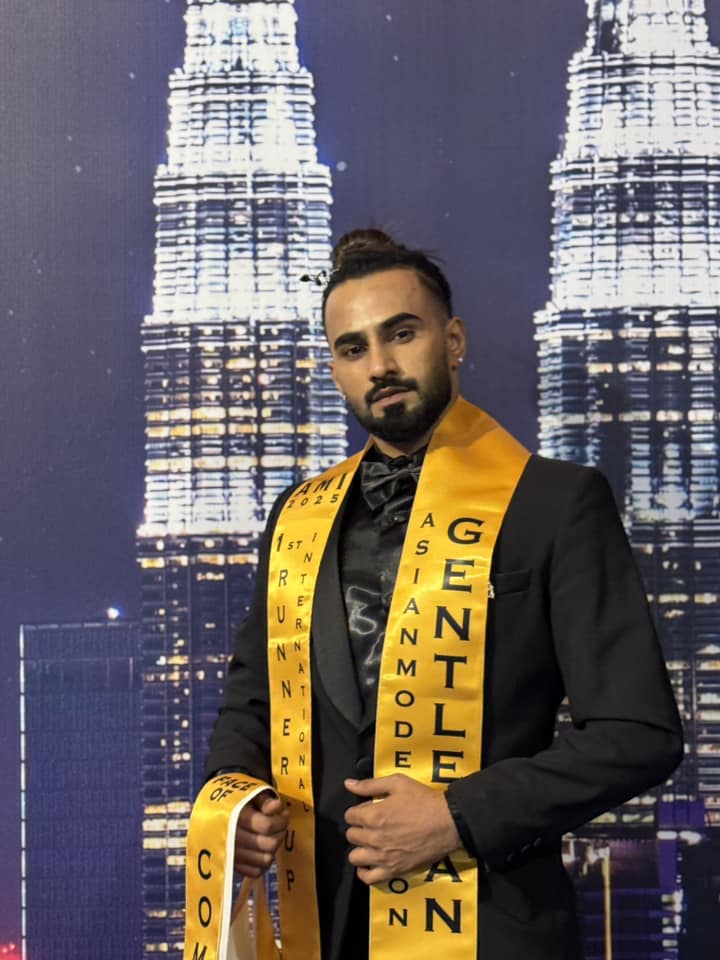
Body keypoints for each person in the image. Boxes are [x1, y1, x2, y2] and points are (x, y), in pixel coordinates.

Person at [204, 229, 683, 960]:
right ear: (334, 369)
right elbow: (253, 701)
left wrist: (459, 815)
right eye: (353, 348)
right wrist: (236, 799)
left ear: (453, 341)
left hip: (492, 927)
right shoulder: (296, 518)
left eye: (402, 334)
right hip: (322, 928)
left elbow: (637, 734)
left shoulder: (555, 504)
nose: (380, 365)